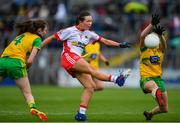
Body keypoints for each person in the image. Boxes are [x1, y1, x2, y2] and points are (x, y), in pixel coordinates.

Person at [42, 11, 131, 121]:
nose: (90, 23)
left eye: (91, 21)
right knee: (91, 69)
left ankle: (81, 114)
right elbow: (51, 38)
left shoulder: (90, 34)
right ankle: (117, 79)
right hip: (68, 57)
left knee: (90, 87)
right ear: (80, 21)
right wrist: (38, 48)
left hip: (77, 59)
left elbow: (105, 41)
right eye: (88, 21)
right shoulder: (69, 31)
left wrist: (120, 44)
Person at [0, 19, 48, 121]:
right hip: (16, 63)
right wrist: (25, 67)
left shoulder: (22, 35)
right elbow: (30, 61)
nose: (46, 32)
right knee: (27, 92)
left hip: (2, 61)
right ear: (39, 30)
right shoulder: (37, 39)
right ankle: (33, 108)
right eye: (45, 30)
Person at [139, 14, 168, 120]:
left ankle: (150, 114)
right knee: (154, 87)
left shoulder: (160, 51)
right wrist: (151, 24)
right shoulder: (144, 50)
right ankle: (156, 93)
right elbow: (142, 36)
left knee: (164, 108)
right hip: (146, 79)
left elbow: (164, 45)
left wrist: (161, 35)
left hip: (159, 79)